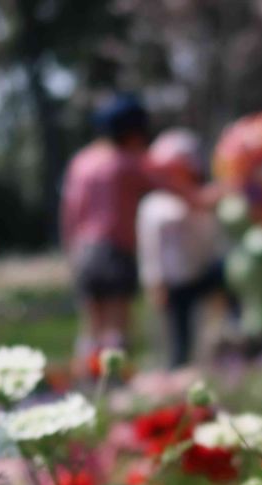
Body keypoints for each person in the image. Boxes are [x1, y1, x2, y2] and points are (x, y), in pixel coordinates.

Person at [61, 95, 154, 366]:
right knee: (117, 323)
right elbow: (170, 185)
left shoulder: (82, 161)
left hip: (85, 249)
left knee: (91, 324)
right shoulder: (126, 162)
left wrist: (71, 252)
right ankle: (115, 383)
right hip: (115, 248)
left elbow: (71, 212)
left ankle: (88, 380)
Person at [137, 129, 234, 368]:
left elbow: (214, 237)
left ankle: (229, 352)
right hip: (174, 282)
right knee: (178, 336)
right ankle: (177, 368)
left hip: (203, 272)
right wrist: (154, 281)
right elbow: (150, 250)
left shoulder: (207, 200)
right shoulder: (154, 205)